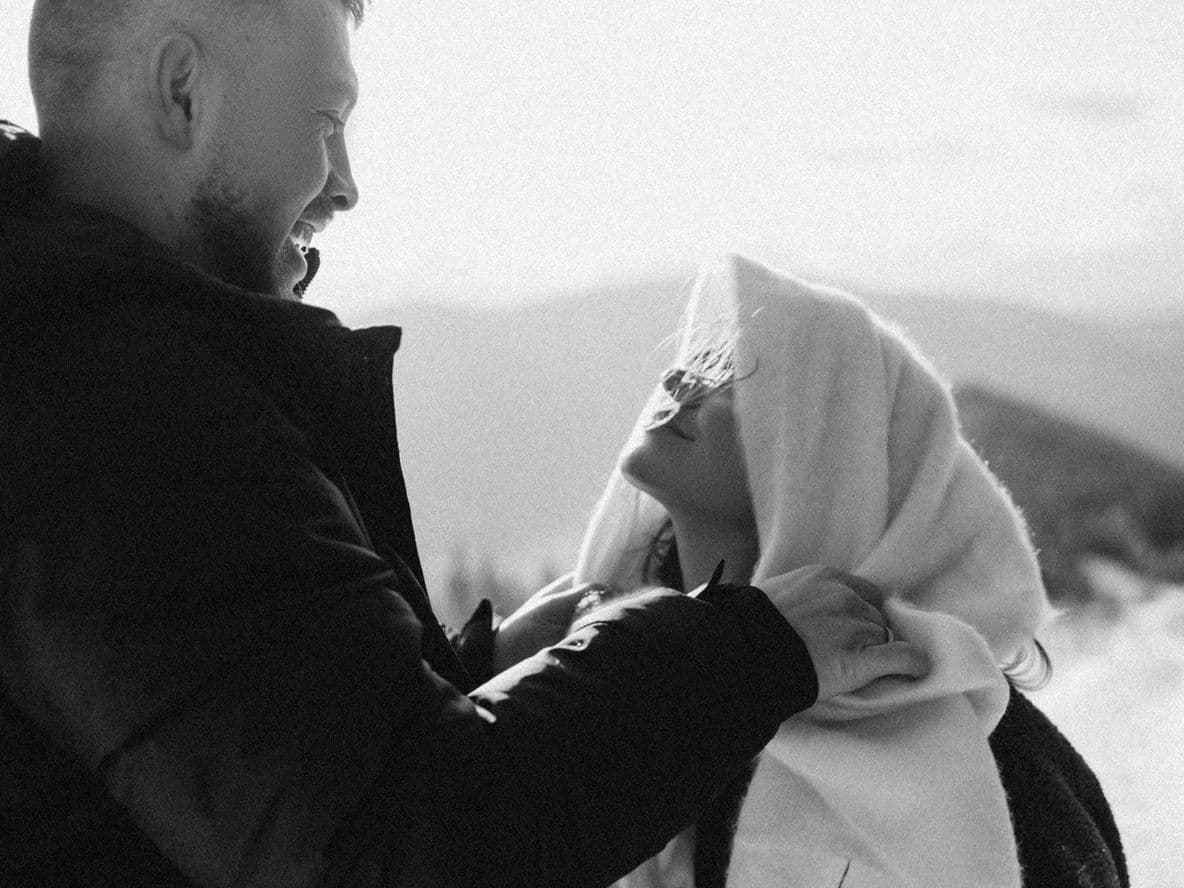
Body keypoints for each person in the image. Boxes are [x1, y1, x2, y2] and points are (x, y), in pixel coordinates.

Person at [0, 3, 928, 886]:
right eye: (325, 120)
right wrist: (749, 652)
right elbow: (399, 850)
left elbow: (228, 752)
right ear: (181, 91)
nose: (345, 181)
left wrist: (475, 678)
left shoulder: (73, 366)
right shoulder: (116, 411)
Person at [573, 254, 1128, 887]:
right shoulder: (636, 675)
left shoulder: (982, 771)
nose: (677, 384)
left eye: (727, 380)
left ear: (823, 460)